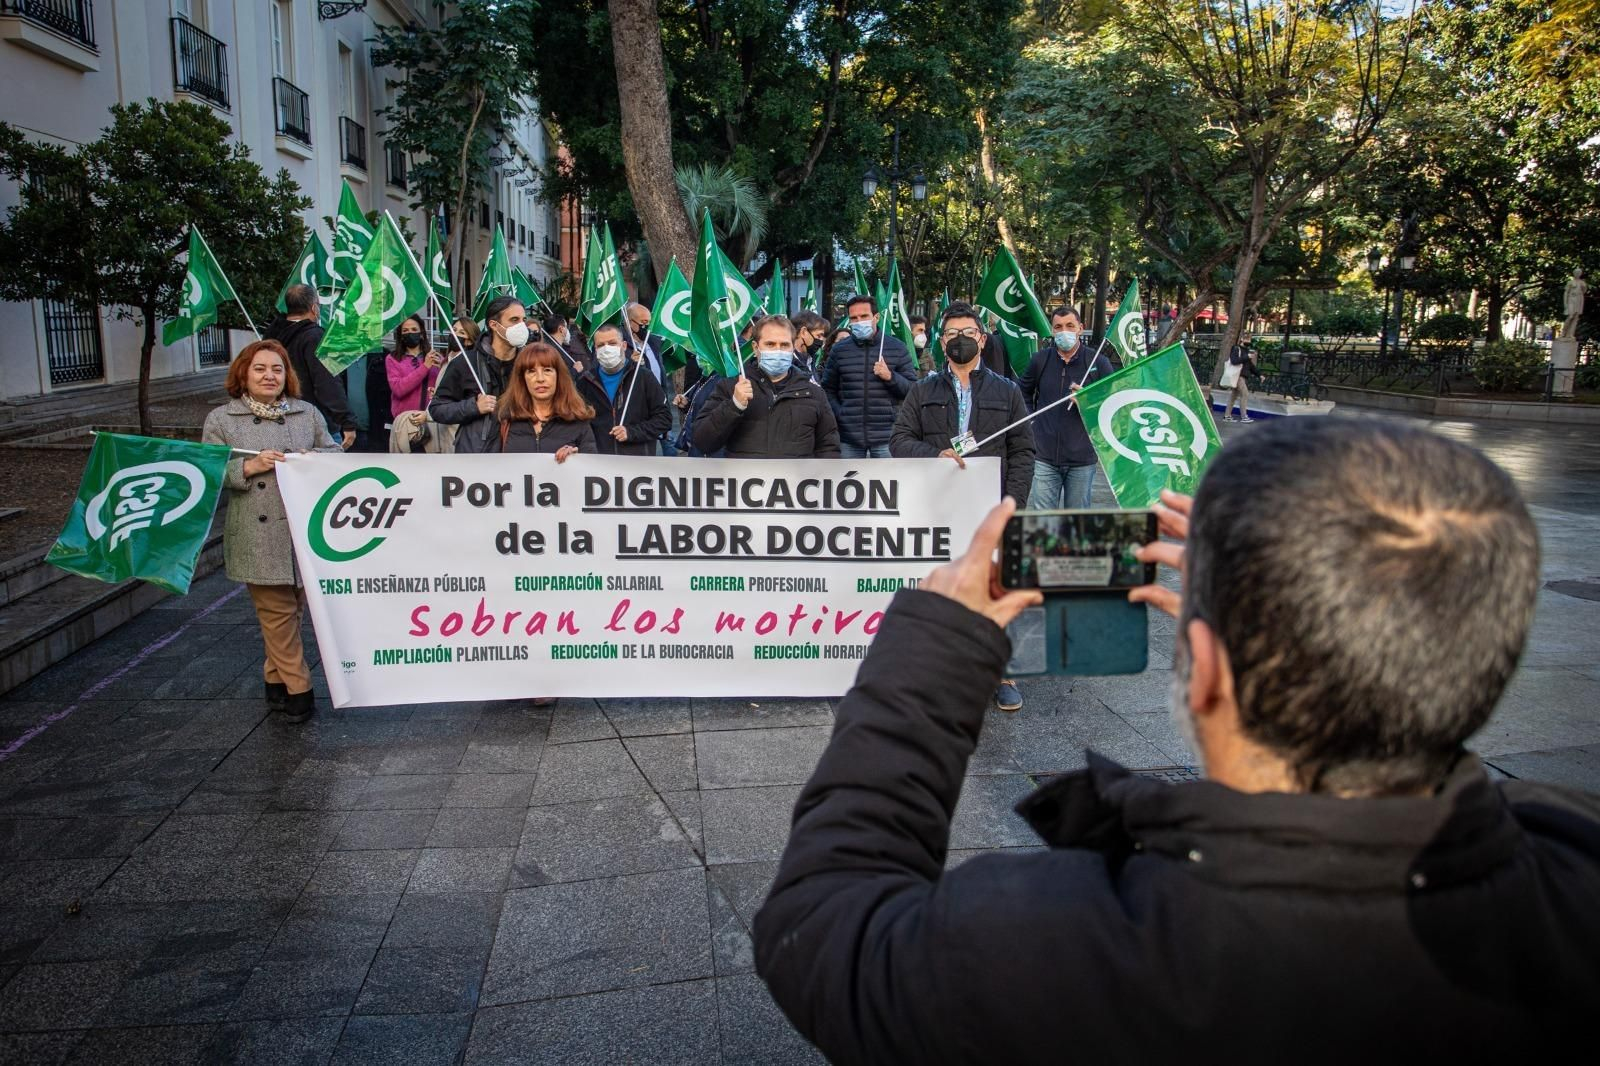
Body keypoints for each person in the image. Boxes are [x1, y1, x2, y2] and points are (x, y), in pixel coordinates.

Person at [754, 417, 1600, 1061]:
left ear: (1205, 675)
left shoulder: (1045, 950)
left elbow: (821, 924)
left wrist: (937, 646)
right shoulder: (1573, 869)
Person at [890, 301, 1035, 712]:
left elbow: (1024, 452)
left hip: (992, 511)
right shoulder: (922, 390)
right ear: (941, 341)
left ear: (982, 340)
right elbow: (899, 440)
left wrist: (1014, 504)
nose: (960, 339)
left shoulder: (1007, 392)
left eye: (968, 333)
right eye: (952, 333)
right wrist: (933, 454)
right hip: (938, 510)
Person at [201, 340, 342, 723]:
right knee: (277, 612)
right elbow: (209, 474)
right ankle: (300, 691)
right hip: (257, 533)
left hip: (303, 531)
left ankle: (274, 681)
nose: (269, 376)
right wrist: (249, 468)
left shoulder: (306, 413)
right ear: (243, 374)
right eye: (260, 368)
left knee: (288, 612)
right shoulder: (222, 420)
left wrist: (314, 461)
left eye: (277, 369)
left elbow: (333, 452)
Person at [694, 315, 840, 459]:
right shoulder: (732, 387)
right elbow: (703, 442)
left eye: (784, 345)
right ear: (756, 347)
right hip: (746, 480)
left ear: (792, 347)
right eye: (770, 344)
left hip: (794, 481)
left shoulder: (813, 393)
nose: (778, 351)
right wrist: (734, 405)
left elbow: (829, 448)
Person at [1019, 307, 1114, 508]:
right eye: (1058, 327)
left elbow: (1111, 405)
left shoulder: (1098, 363)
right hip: (1043, 457)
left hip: (1082, 458)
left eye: (1070, 326)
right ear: (1052, 331)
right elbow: (1022, 392)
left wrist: (1088, 401)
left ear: (1080, 328)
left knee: (1076, 523)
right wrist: (1032, 420)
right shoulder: (1040, 360)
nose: (1064, 331)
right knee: (1043, 524)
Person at [456, 342, 598, 458]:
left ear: (559, 376)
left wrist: (578, 460)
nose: (540, 378)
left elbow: (591, 474)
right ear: (522, 379)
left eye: (547, 370)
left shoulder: (579, 420)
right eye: (531, 371)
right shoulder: (504, 417)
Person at [821, 295, 917, 458]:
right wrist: (840, 413)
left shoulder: (897, 348)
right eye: (854, 318)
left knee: (888, 482)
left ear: (876, 317)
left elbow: (912, 390)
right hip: (849, 438)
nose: (859, 321)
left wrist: (890, 377)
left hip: (887, 436)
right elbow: (828, 389)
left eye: (864, 316)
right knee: (849, 481)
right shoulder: (840, 350)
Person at [263, 283, 357, 450]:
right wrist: (347, 421)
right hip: (316, 424)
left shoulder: (270, 337)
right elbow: (326, 382)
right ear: (314, 308)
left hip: (276, 419)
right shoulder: (314, 337)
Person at [429, 297, 526, 446]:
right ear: (494, 325)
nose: (521, 326)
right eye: (514, 320)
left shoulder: (529, 363)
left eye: (523, 320)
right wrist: (474, 407)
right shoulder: (466, 362)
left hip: (520, 451)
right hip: (477, 453)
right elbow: (437, 409)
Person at [575, 322, 671, 457]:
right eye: (601, 345)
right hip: (599, 464)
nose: (606, 349)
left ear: (624, 346)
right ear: (595, 349)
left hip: (636, 464)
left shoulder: (643, 377)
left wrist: (632, 432)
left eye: (612, 343)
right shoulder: (586, 381)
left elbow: (664, 419)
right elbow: (577, 423)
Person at [1223, 334, 1258, 423]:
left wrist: (1259, 374)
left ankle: (1227, 416)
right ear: (1241, 339)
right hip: (1238, 376)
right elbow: (1234, 361)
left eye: (1249, 339)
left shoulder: (1246, 351)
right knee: (1245, 394)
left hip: (1241, 376)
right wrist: (1247, 357)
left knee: (1233, 396)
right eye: (1246, 338)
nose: (1248, 341)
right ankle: (1244, 416)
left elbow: (1250, 366)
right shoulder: (1236, 348)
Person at [791, 310, 831, 377]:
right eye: (819, 335)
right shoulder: (788, 363)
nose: (822, 340)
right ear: (803, 332)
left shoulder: (810, 360)